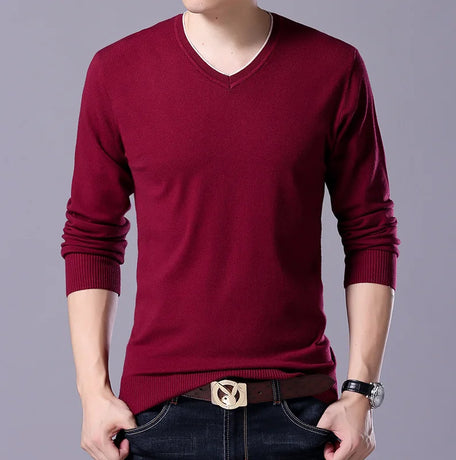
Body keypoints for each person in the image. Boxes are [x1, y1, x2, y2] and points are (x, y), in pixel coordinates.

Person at [60, 1, 400, 459]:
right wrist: (92, 392)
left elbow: (370, 231)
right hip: (158, 420)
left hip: (299, 414)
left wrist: (361, 392)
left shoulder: (334, 68)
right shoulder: (117, 70)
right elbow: (91, 236)